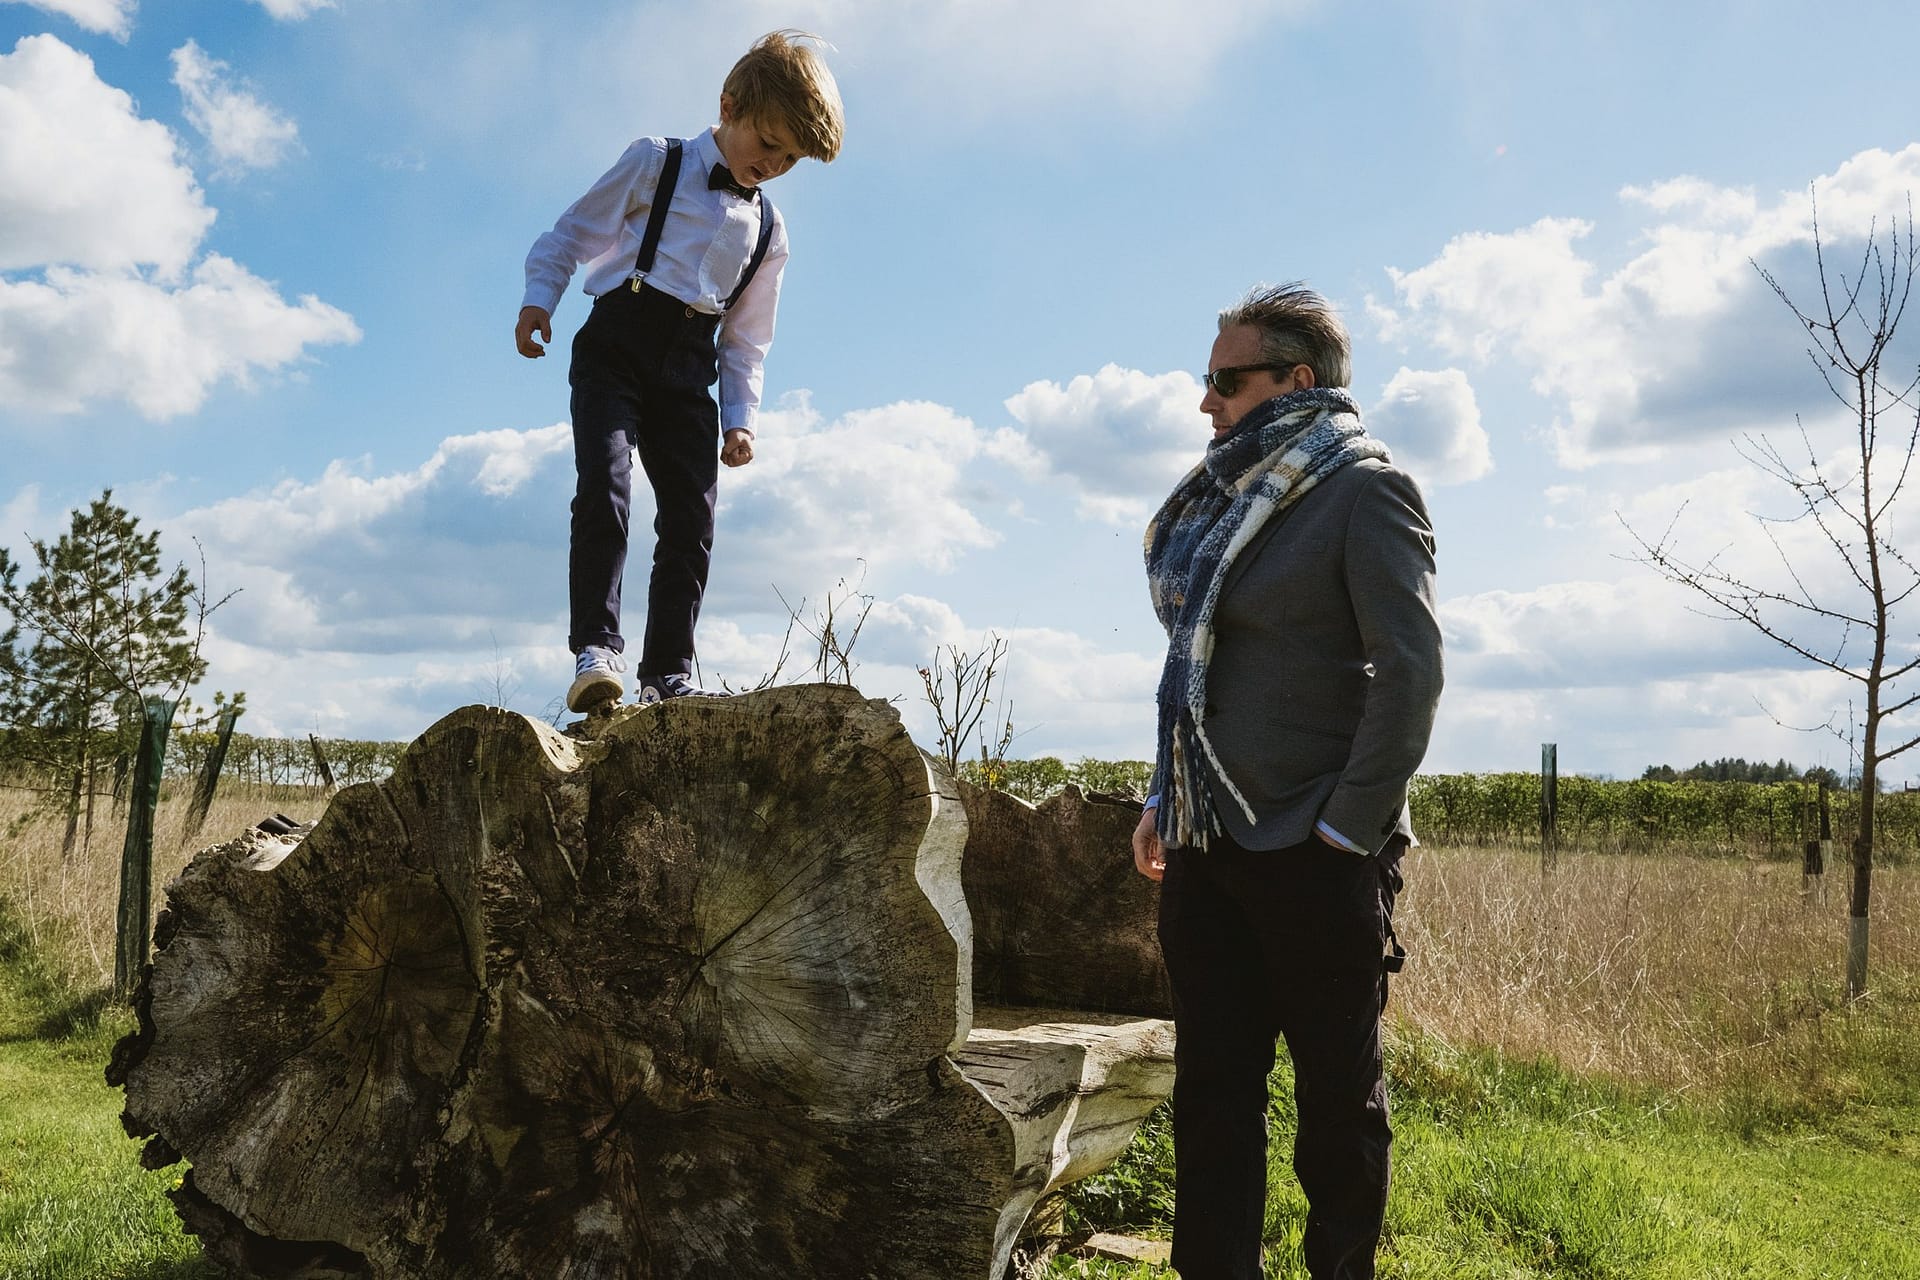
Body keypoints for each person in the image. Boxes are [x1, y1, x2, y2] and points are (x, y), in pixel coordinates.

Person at [1131, 283, 1443, 1279]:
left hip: (1316, 851)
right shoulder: (1222, 501)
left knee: (1334, 1108)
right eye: (1209, 380)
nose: (1207, 401)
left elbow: (1411, 670)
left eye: (1228, 380)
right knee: (1213, 1091)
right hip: (1207, 846)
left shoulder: (1366, 490)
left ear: (1296, 382)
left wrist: (1348, 832)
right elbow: (1198, 669)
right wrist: (1160, 796)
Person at [515, 30, 844, 711]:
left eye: (789, 158)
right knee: (605, 488)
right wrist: (538, 299)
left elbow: (748, 339)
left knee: (693, 519)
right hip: (616, 344)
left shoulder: (771, 231)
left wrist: (741, 419)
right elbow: (571, 233)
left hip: (691, 373)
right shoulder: (654, 161)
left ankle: (666, 674)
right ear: (728, 106)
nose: (774, 164)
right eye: (767, 143)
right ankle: (596, 650)